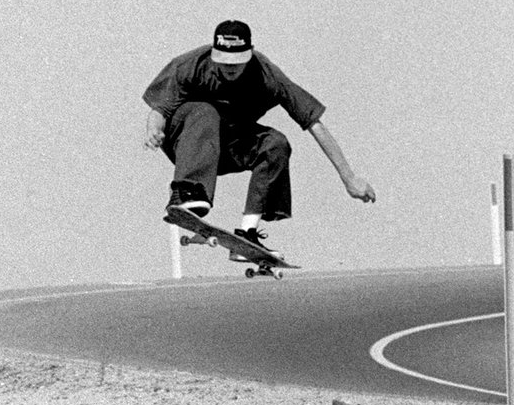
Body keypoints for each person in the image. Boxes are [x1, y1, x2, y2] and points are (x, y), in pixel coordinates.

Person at [143, 20, 375, 256]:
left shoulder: (268, 76)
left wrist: (349, 177)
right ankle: (187, 191)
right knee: (205, 111)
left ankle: (248, 232)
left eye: (237, 62)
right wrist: (154, 129)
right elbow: (160, 109)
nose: (230, 68)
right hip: (185, 142)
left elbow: (314, 124)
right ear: (214, 54)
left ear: (250, 54)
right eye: (224, 61)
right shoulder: (191, 65)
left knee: (276, 143)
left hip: (228, 148)